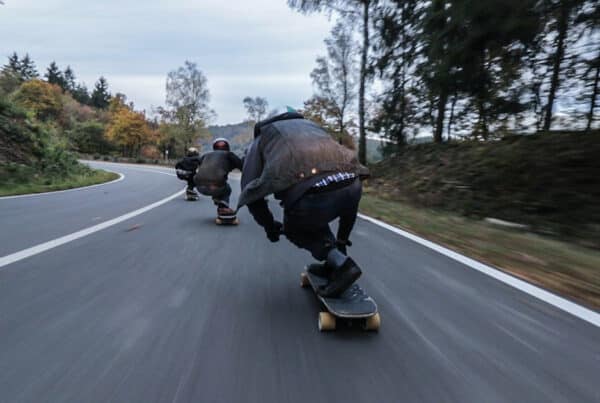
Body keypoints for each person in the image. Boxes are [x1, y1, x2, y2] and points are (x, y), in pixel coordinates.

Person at [238, 112, 369, 297]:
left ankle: (344, 266)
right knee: (327, 206)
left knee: (296, 228)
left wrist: (269, 226)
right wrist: (342, 240)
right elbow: (346, 184)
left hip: (313, 195)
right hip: (353, 184)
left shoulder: (263, 137)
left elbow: (250, 192)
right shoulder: (313, 128)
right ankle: (335, 259)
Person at [194, 138, 242, 217]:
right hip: (217, 186)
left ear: (214, 147)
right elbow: (241, 166)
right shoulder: (229, 154)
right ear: (227, 147)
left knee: (218, 181)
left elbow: (199, 165)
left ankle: (217, 199)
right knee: (227, 189)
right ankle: (223, 208)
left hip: (199, 187)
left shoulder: (206, 155)